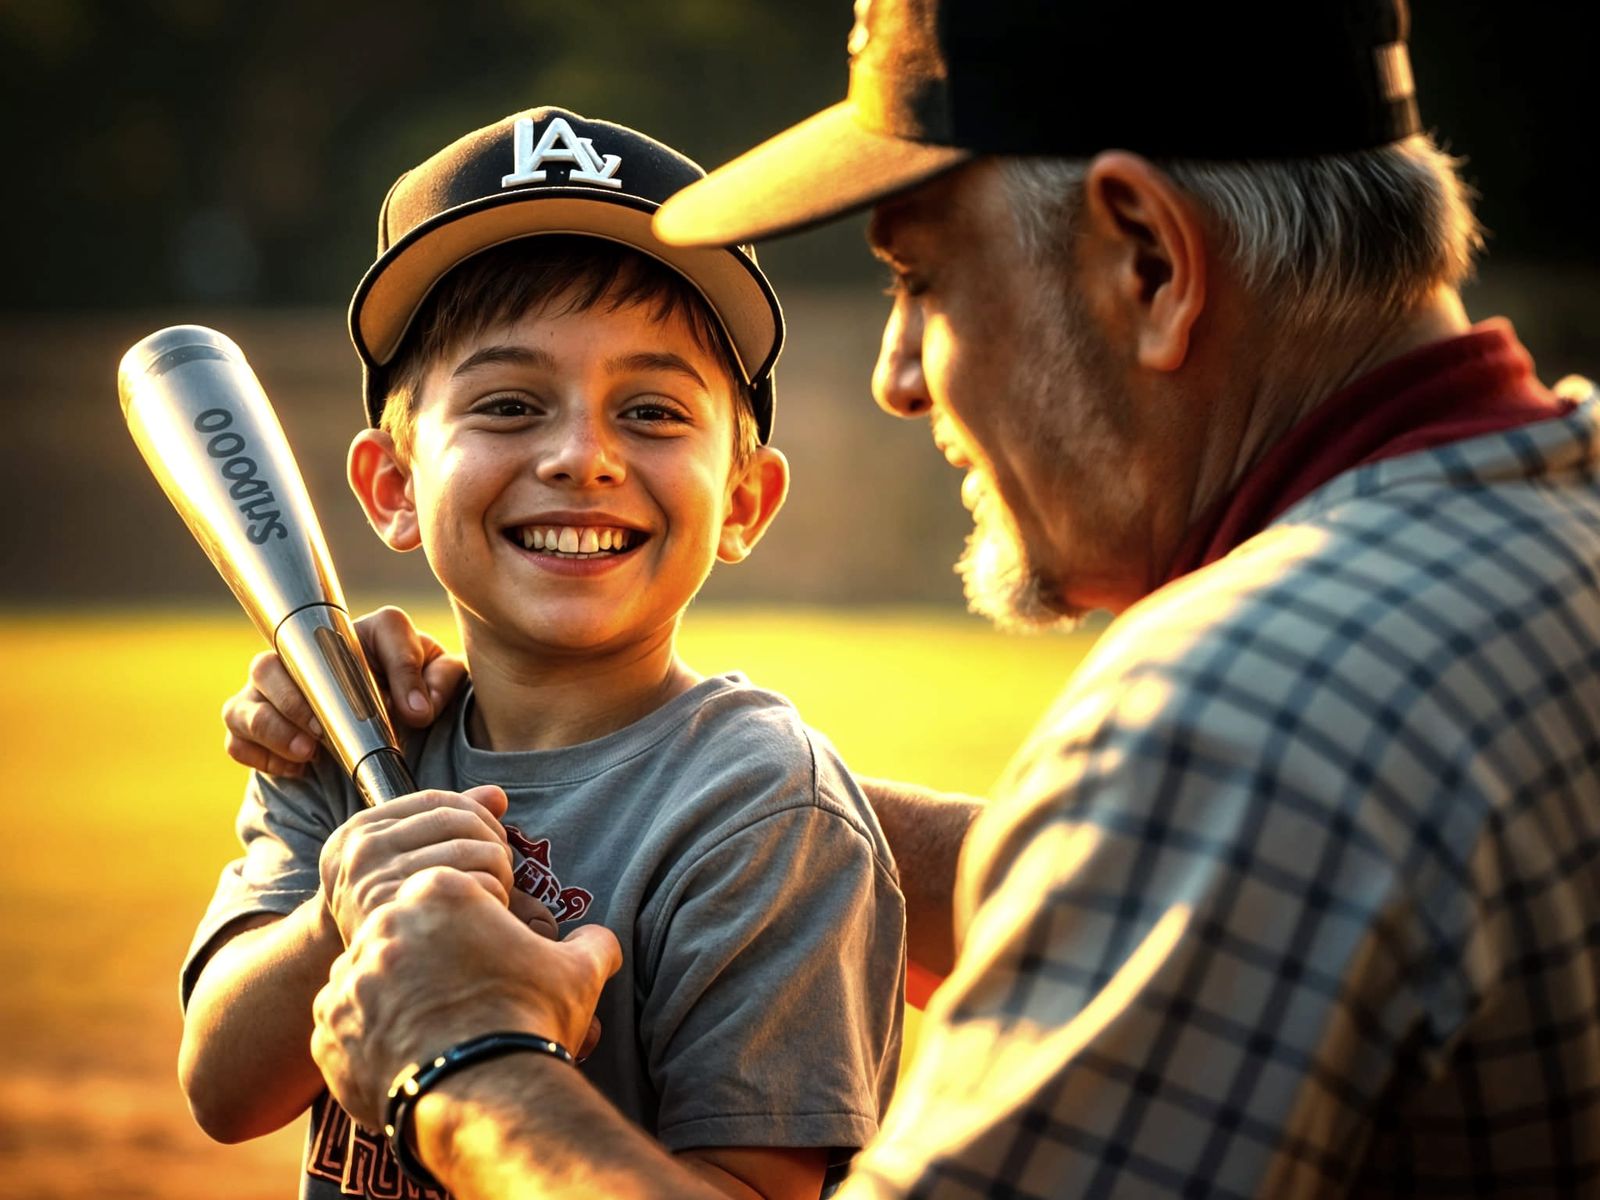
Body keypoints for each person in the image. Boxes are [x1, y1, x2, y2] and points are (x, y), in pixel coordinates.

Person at [229, 1, 1600, 1194]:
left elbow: (1247, 796)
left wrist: (462, 1060)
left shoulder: (1250, 709)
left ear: (1151, 263)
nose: (897, 373)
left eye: (921, 278)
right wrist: (627, 790)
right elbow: (1241, 884)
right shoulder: (1543, 529)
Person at [179, 105, 906, 1200]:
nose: (581, 457)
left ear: (746, 501)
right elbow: (222, 1090)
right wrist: (339, 916)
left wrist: (497, 1059)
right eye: (510, 404)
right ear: (391, 488)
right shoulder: (354, 732)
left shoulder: (762, 810)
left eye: (654, 410)